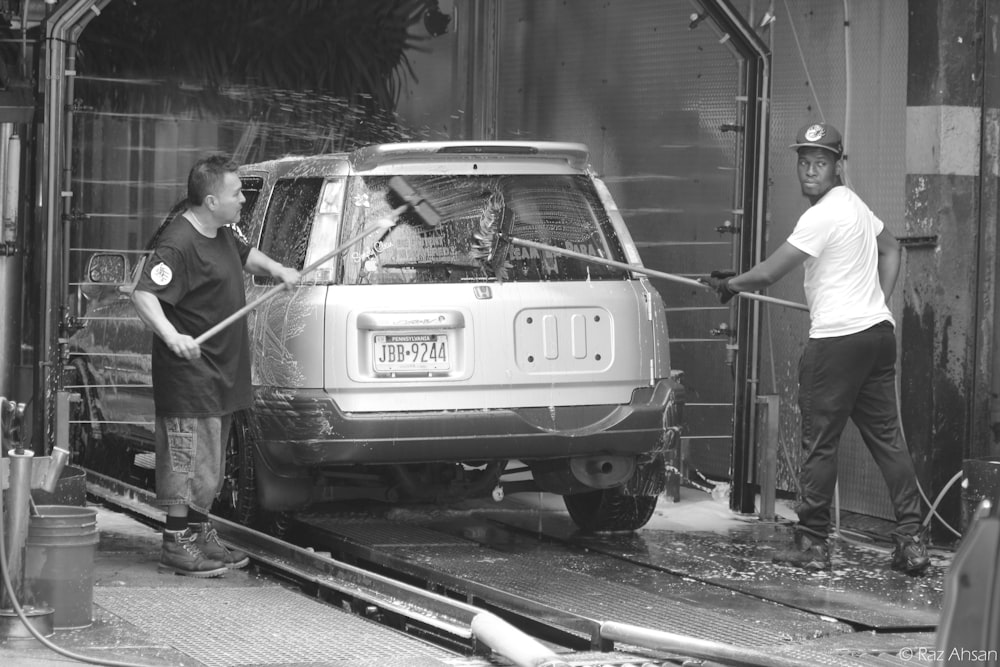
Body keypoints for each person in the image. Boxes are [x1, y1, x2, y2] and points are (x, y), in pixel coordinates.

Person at [702, 122, 930, 575]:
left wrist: (729, 285)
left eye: (820, 163)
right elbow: (893, 251)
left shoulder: (822, 214)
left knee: (819, 443)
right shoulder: (857, 207)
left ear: (838, 166)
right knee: (888, 441)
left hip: (836, 344)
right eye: (804, 163)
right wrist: (875, 304)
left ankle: (811, 542)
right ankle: (911, 541)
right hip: (876, 338)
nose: (810, 171)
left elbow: (769, 274)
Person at [132, 155, 300, 577]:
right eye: (236, 192)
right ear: (210, 200)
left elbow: (246, 256)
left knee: (211, 465)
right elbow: (144, 294)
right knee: (187, 459)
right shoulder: (179, 243)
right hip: (190, 376)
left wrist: (277, 269)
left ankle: (199, 530)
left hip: (223, 372)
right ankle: (177, 542)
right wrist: (172, 336)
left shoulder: (223, 230)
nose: (243, 198)